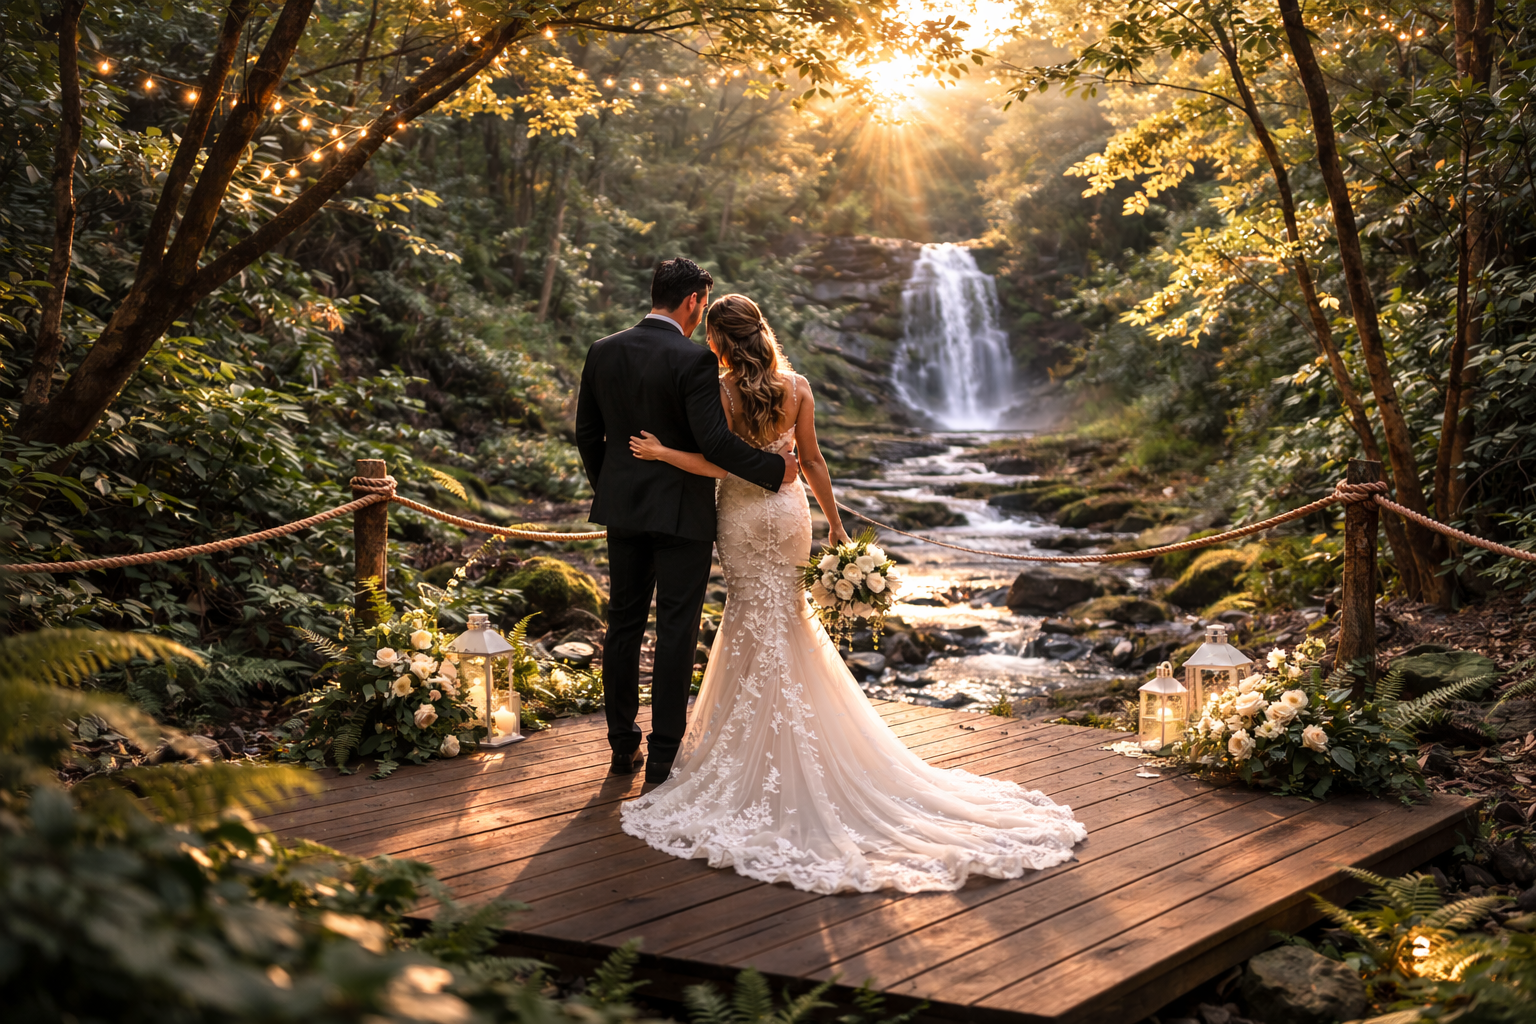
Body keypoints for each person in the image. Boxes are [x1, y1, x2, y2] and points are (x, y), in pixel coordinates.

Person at [617, 293, 1086, 894]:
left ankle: (751, 756)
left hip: (739, 516)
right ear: (763, 330)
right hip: (789, 517)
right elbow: (811, 460)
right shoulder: (797, 387)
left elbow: (719, 463)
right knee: (790, 617)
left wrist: (660, 453)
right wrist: (836, 525)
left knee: (747, 618)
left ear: (716, 341)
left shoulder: (721, 390)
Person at [575, 258, 798, 784]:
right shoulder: (693, 360)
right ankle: (663, 756)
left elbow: (588, 435)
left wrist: (613, 490)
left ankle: (621, 745)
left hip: (624, 512)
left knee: (624, 626)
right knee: (676, 631)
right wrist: (774, 469)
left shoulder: (602, 350)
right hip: (682, 516)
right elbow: (716, 443)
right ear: (695, 300)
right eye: (701, 305)